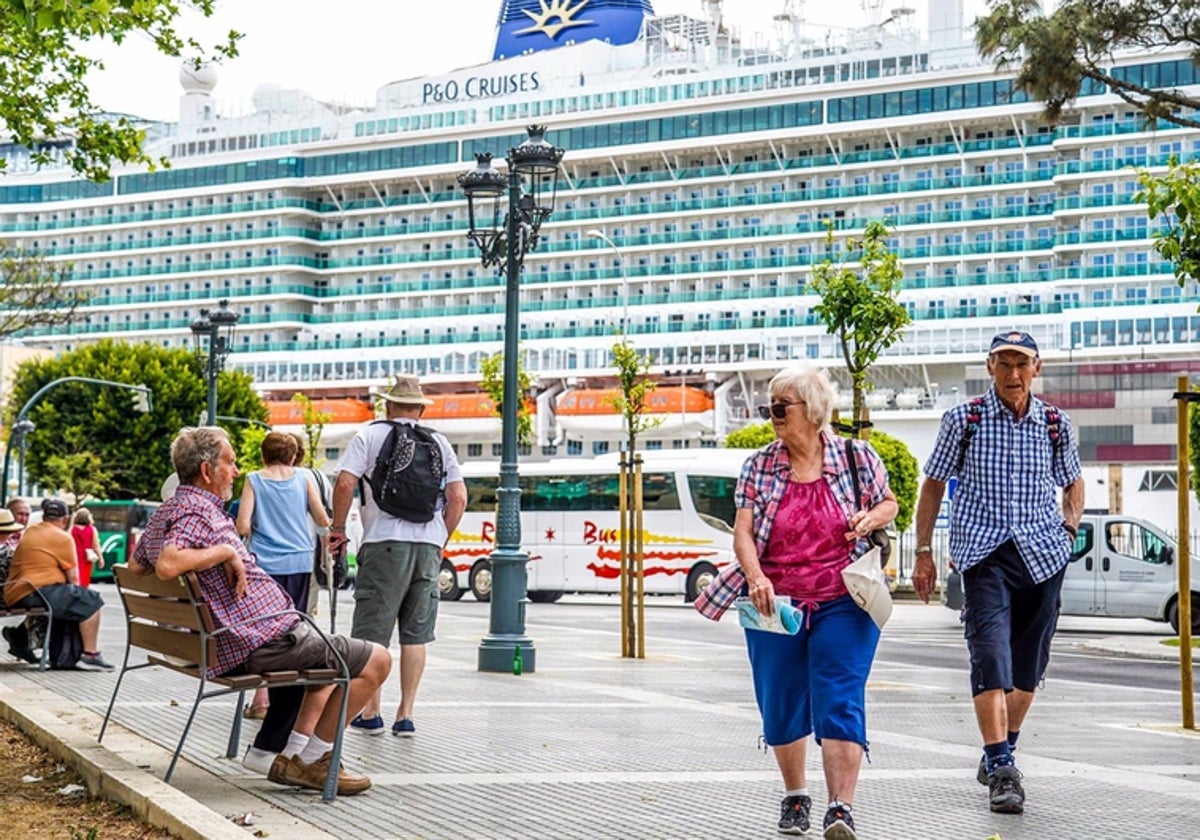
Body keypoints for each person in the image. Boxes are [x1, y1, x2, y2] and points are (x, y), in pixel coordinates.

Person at [131, 426, 391, 795]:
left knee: (325, 666)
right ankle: (315, 761)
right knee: (377, 660)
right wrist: (225, 552)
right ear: (207, 471)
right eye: (230, 462)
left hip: (236, 638)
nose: (236, 471)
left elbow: (137, 565)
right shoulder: (196, 511)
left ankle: (289, 755)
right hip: (257, 640)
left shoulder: (171, 509)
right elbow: (169, 564)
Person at [696, 365, 897, 840]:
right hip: (776, 601)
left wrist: (870, 519)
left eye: (781, 407)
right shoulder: (759, 465)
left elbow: (889, 502)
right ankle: (795, 797)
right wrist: (756, 577)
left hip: (845, 598)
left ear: (813, 410)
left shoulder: (856, 457)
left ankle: (841, 808)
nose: (772, 416)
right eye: (769, 407)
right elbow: (742, 532)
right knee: (781, 699)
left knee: (840, 697)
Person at [912, 331, 1084, 816]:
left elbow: (1073, 480)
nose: (1013, 374)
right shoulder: (962, 420)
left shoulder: (1055, 423)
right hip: (984, 555)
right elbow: (933, 485)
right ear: (990, 367)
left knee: (1027, 671)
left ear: (1036, 368)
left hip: (1044, 556)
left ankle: (1002, 746)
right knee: (990, 656)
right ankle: (1003, 768)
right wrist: (923, 550)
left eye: (1021, 364)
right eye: (1004, 363)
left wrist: (1069, 529)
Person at [331, 375, 466, 738]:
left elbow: (345, 483)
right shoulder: (440, 442)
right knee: (416, 634)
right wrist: (439, 538)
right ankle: (405, 716)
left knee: (373, 634)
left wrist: (338, 528)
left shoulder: (370, 435)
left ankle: (370, 712)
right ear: (420, 409)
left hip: (383, 543)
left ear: (388, 406)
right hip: (427, 548)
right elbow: (458, 498)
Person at [236, 432, 331, 721]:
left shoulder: (254, 479)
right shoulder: (303, 478)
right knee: (294, 626)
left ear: (264, 455)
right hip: (300, 562)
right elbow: (322, 519)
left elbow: (242, 524)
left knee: (266, 629)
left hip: (265, 566)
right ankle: (290, 696)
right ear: (292, 456)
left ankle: (263, 696)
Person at [3, 499, 114, 669]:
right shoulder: (63, 538)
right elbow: (74, 579)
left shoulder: (31, 531)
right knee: (92, 600)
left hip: (18, 591)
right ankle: (90, 653)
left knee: (72, 601)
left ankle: (58, 654)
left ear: (44, 516)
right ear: (65, 519)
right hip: (33, 591)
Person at [0, 509, 30, 662]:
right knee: (45, 604)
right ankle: (20, 641)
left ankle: (19, 640)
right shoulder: (10, 554)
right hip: (4, 597)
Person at [70, 508, 103, 588]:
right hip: (87, 556)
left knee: (76, 574)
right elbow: (96, 545)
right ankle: (83, 590)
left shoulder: (72, 529)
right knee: (85, 576)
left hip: (74, 555)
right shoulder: (92, 529)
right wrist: (101, 558)